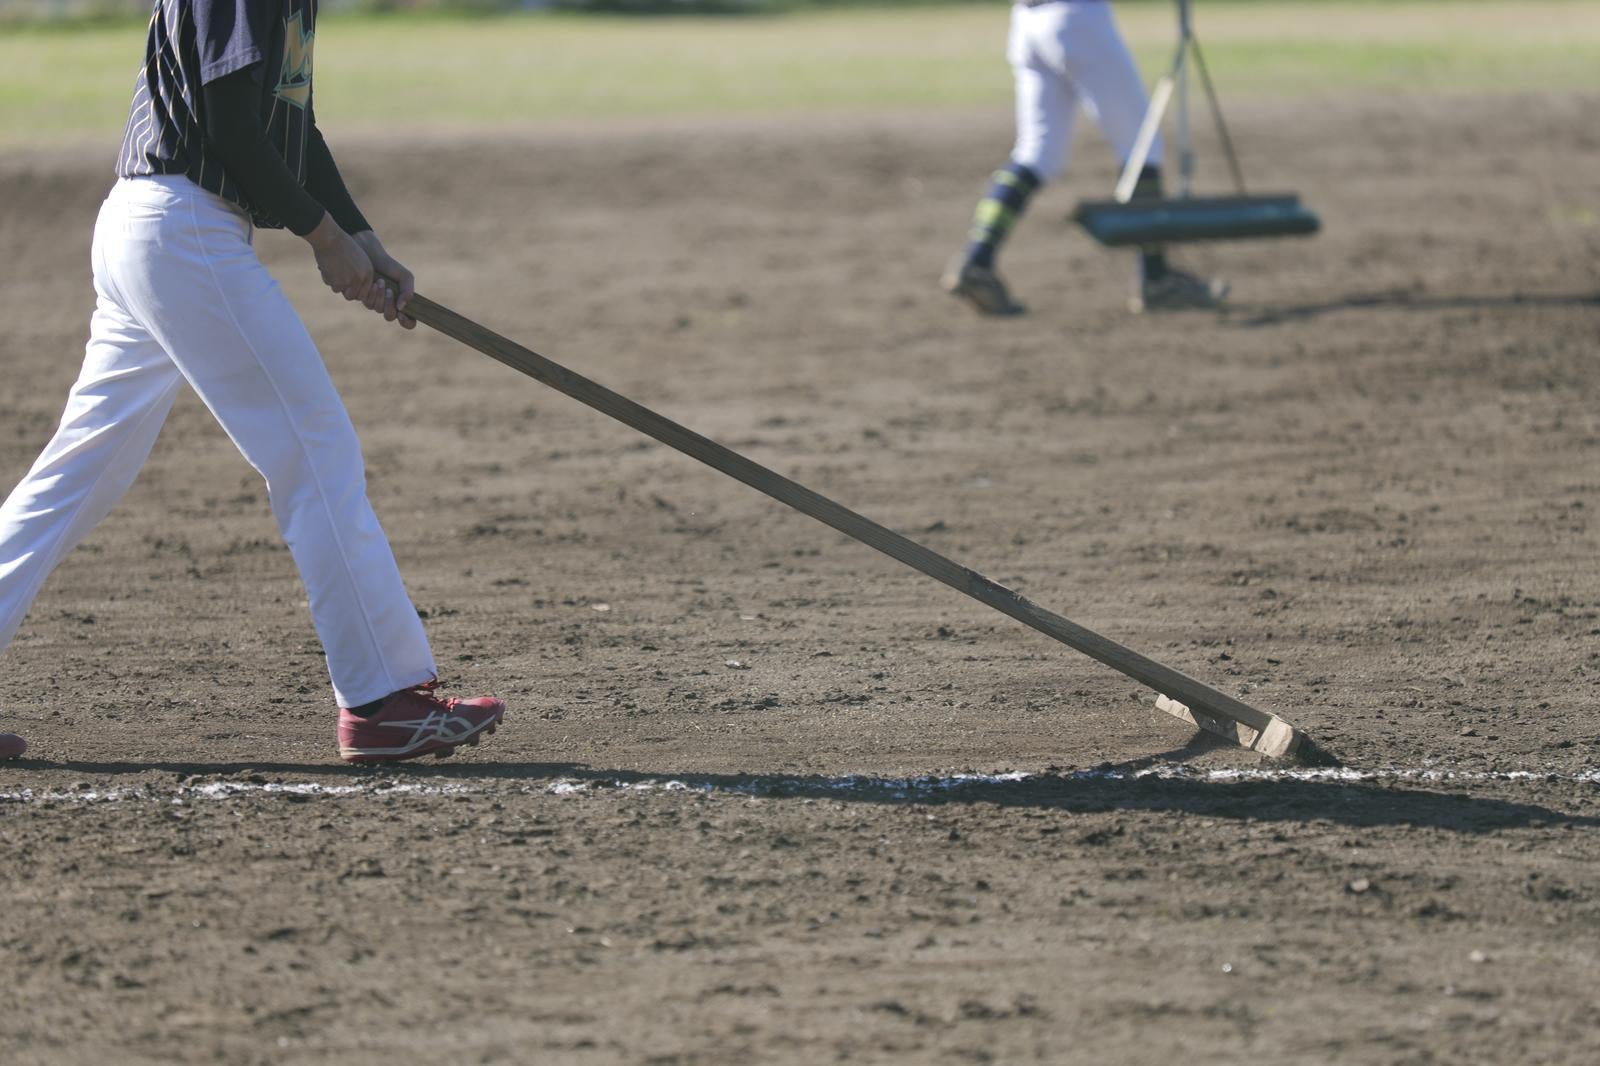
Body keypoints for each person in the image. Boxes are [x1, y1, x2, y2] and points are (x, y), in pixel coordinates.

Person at [0, 0, 503, 763]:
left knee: (81, 471)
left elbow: (292, 129)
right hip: (183, 230)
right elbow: (232, 124)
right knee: (314, 450)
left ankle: (383, 695)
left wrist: (361, 234)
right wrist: (324, 239)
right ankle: (381, 699)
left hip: (161, 228)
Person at [943, 0, 1227, 315]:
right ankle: (1157, 279)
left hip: (1027, 23)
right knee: (1142, 145)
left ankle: (977, 260)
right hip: (1077, 17)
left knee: (1037, 152)